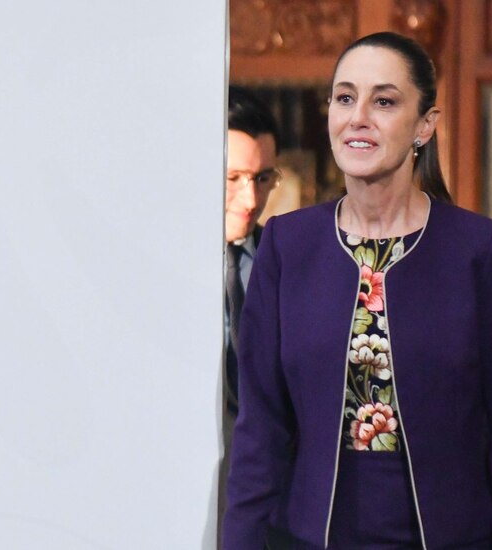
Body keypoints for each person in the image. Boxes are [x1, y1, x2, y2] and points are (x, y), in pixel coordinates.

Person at [223, 32, 492, 549]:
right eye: (345, 98)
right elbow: (259, 432)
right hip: (310, 537)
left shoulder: (479, 249)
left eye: (385, 101)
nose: (358, 117)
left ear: (425, 125)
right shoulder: (288, 244)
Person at [220, 85, 279, 524]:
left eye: (262, 179)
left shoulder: (282, 263)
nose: (250, 200)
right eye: (233, 178)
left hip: (266, 487)